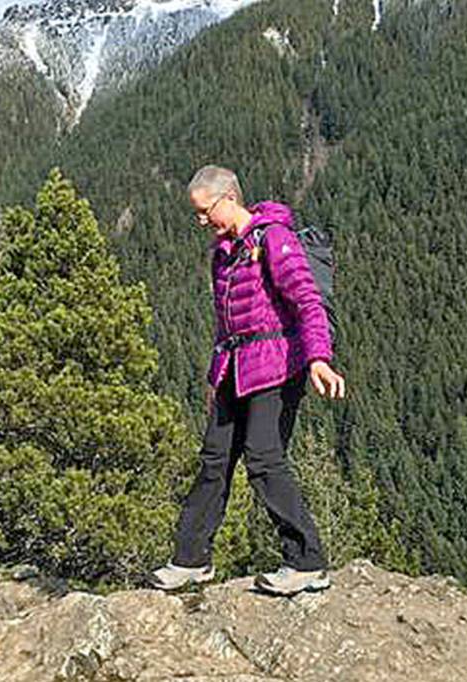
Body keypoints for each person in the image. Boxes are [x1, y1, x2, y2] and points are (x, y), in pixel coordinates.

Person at [148, 165, 346, 596]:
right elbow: (226, 323)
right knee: (214, 459)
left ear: (230, 198)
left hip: (278, 365)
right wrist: (214, 377)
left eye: (206, 210)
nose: (201, 220)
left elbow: (307, 301)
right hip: (233, 367)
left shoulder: (274, 239)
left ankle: (307, 561)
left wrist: (319, 358)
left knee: (263, 457)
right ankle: (191, 559)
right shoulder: (223, 253)